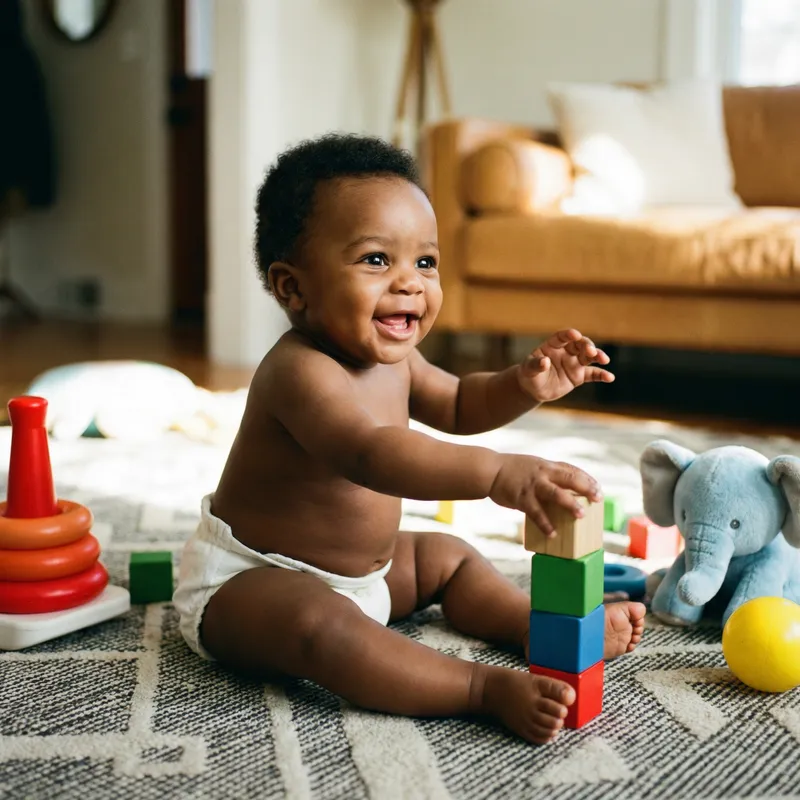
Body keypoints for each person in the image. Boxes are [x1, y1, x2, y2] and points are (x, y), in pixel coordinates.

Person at [173, 133, 645, 745]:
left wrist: (524, 383)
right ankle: (478, 687)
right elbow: (371, 454)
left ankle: (527, 626)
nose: (410, 283)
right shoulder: (297, 372)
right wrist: (498, 474)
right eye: (376, 260)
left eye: (425, 262)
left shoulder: (399, 361)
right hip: (251, 583)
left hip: (368, 577)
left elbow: (457, 403)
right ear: (293, 288)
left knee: (448, 558)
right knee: (323, 627)